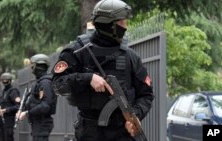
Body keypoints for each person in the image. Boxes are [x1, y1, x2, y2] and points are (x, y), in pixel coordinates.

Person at [51, 0, 154, 141]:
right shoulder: (78, 51)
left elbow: (146, 94)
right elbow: (57, 85)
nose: (125, 27)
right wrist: (88, 78)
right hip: (89, 133)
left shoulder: (130, 56)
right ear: (109, 25)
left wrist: (134, 116)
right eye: (122, 23)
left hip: (122, 132)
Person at [18, 54, 57, 141]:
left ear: (37, 66)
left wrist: (27, 113)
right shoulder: (40, 82)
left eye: (33, 65)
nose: (31, 68)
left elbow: (45, 106)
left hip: (42, 123)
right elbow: (34, 101)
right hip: (38, 123)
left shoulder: (45, 83)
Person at [0, 72, 21, 141]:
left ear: (10, 81)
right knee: (1, 137)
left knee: (8, 137)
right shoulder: (3, 92)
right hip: (1, 120)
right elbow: (0, 103)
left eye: (6, 80)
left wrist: (5, 110)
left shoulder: (13, 91)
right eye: (3, 80)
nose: (4, 82)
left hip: (9, 120)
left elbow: (18, 106)